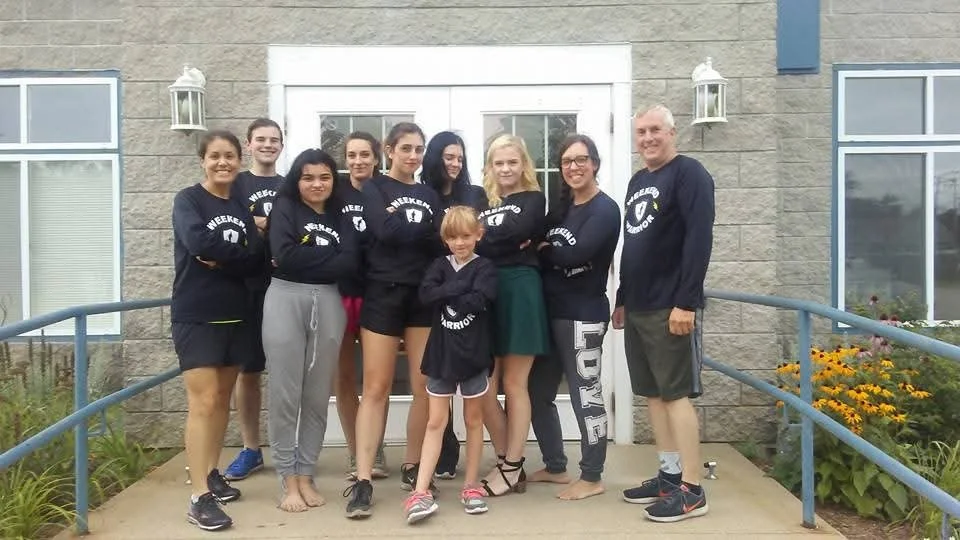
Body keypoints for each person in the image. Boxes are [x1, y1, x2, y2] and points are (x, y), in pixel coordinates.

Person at [613, 104, 715, 522]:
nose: (648, 138)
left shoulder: (690, 174)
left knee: (675, 395)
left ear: (672, 132)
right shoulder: (639, 180)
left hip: (671, 306)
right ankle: (669, 475)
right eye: (641, 132)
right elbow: (633, 244)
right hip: (639, 305)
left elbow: (698, 239)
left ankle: (692, 489)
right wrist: (621, 297)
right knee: (653, 394)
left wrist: (686, 302)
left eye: (656, 130)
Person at [344, 122, 443, 519]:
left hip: (422, 295)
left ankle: (413, 465)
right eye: (406, 149)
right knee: (376, 386)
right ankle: (363, 479)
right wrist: (415, 230)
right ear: (389, 151)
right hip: (383, 293)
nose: (414, 156)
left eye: (419, 149)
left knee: (423, 386)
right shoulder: (373, 187)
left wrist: (404, 227)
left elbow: (438, 239)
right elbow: (383, 232)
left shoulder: (428, 193)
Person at [170, 130, 264, 531]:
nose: (222, 162)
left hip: (237, 315)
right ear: (203, 160)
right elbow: (197, 241)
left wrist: (226, 260)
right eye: (215, 156)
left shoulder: (242, 207)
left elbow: (259, 258)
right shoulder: (188, 200)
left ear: (239, 161)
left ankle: (211, 473)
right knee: (204, 402)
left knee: (222, 399)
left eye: (229, 156)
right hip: (198, 315)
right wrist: (237, 257)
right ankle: (198, 497)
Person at [263, 148, 357, 512]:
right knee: (286, 395)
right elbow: (284, 256)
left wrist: (313, 262)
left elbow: (350, 263)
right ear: (297, 180)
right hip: (285, 299)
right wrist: (328, 262)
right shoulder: (285, 208)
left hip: (329, 303)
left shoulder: (341, 216)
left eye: (324, 177)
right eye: (308, 177)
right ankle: (287, 479)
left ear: (334, 181)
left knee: (317, 396)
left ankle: (306, 473)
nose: (317, 184)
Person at [529, 134, 621, 500]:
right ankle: (555, 466)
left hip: (583, 314)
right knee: (537, 393)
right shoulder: (563, 209)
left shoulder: (604, 209)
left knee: (587, 394)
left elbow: (575, 253)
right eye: (567, 161)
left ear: (594, 163)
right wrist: (549, 249)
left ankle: (592, 475)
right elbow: (546, 248)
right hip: (551, 312)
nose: (574, 166)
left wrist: (547, 249)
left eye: (581, 159)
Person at [404, 206, 498, 524]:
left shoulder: (485, 267)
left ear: (478, 235)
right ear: (446, 239)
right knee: (435, 422)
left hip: (473, 355)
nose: (460, 243)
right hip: (441, 354)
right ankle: (420, 490)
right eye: (454, 237)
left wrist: (446, 292)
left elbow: (480, 299)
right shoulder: (438, 265)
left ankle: (470, 486)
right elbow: (426, 295)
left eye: (467, 236)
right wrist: (456, 289)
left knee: (474, 420)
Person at [475, 134, 550, 497]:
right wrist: (494, 237)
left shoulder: (534, 199)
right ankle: (508, 460)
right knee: (486, 386)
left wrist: (489, 236)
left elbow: (520, 230)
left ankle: (512, 463)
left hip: (521, 288)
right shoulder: (481, 200)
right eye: (498, 163)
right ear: (490, 167)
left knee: (514, 384)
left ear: (524, 165)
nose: (505, 169)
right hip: (487, 290)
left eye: (512, 162)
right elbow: (473, 239)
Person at [420, 130, 488, 480]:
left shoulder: (474, 195)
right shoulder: (425, 196)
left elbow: (481, 286)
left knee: (476, 398)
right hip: (439, 297)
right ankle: (443, 455)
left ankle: (491, 466)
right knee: (439, 387)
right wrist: (447, 286)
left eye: (460, 157)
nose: (455, 163)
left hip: (469, 299)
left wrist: (455, 286)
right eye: (448, 156)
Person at [224, 118, 285, 482]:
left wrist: (259, 221)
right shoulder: (236, 183)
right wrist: (265, 223)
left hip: (284, 285)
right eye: (261, 139)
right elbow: (229, 220)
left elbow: (295, 227)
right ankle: (250, 448)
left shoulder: (290, 184)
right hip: (245, 286)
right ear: (249, 144)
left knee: (288, 373)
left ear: (281, 145)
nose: (267, 145)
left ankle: (289, 447)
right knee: (248, 372)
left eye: (274, 139)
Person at [336, 131, 391, 481]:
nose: (359, 161)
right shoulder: (334, 194)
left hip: (376, 293)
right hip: (340, 293)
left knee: (376, 381)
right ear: (345, 160)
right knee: (344, 378)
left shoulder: (386, 190)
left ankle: (376, 448)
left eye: (365, 155)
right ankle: (355, 451)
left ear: (376, 158)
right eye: (352, 155)